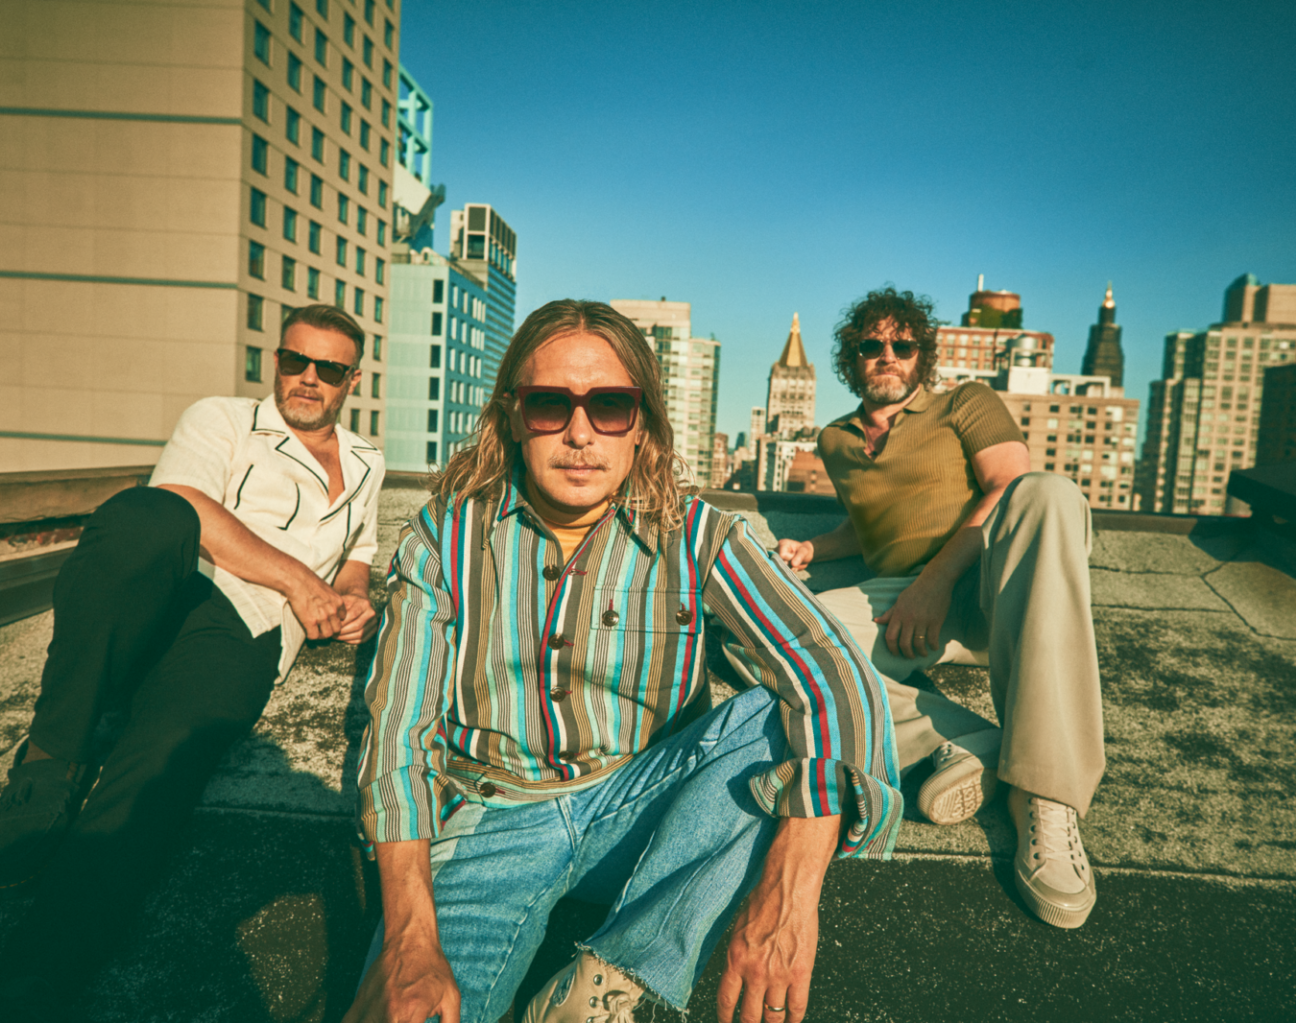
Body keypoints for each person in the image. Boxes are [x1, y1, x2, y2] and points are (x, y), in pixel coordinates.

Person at [346, 300, 901, 1023]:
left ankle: (610, 980)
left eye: (609, 406)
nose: (580, 433)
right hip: (489, 814)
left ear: (641, 424)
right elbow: (398, 733)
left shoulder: (695, 533)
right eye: (550, 404)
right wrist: (408, 938)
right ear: (513, 416)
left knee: (775, 714)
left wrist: (792, 890)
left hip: (642, 803)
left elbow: (833, 667)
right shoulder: (445, 538)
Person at [0, 303, 385, 1021]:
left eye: (328, 368)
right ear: (276, 360)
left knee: (158, 771)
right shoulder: (223, 418)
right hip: (180, 587)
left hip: (248, 630)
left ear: (352, 380)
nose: (308, 378)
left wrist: (351, 596)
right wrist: (299, 580)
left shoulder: (367, 461)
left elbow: (358, 552)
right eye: (294, 360)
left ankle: (35, 978)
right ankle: (51, 758)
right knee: (143, 513)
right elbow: (182, 503)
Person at [775, 286, 1104, 930]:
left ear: (922, 354)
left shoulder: (965, 402)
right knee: (764, 636)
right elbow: (869, 525)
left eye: (903, 345)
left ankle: (1046, 795)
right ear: (851, 357)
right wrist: (813, 548)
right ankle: (966, 743)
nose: (888, 355)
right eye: (872, 345)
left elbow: (1010, 487)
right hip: (902, 599)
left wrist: (935, 581)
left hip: (988, 584)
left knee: (1049, 493)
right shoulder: (835, 440)